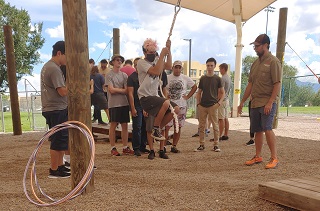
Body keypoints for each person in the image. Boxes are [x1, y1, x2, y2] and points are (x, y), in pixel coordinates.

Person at [238, 34, 281, 169]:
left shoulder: (274, 62)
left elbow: (277, 83)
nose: (255, 48)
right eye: (254, 46)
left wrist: (270, 102)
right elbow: (250, 84)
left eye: (257, 46)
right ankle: (258, 156)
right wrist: (242, 101)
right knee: (257, 130)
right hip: (255, 102)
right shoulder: (255, 63)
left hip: (267, 101)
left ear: (266, 45)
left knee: (267, 128)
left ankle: (274, 158)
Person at [137, 38, 179, 159]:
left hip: (155, 96)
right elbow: (155, 71)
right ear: (145, 52)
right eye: (150, 53)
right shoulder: (141, 63)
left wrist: (169, 50)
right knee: (165, 102)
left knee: (175, 109)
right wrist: (161, 55)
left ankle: (158, 128)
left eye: (154, 53)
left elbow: (169, 65)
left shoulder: (157, 60)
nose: (153, 55)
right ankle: (156, 129)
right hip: (145, 97)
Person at [41, 41, 70, 178]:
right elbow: (62, 91)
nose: (67, 59)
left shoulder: (48, 66)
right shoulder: (54, 68)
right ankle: (54, 169)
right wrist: (76, 87)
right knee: (58, 139)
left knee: (59, 138)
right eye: (66, 55)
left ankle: (60, 165)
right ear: (59, 53)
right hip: (56, 108)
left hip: (52, 107)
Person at [165, 60, 197, 153]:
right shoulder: (167, 78)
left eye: (179, 67)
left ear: (181, 69)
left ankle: (174, 146)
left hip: (181, 105)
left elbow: (194, 86)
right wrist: (166, 96)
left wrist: (187, 96)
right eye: (176, 67)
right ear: (172, 68)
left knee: (178, 127)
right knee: (167, 126)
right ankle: (163, 146)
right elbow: (162, 87)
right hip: (170, 106)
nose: (177, 69)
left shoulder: (185, 78)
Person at [106, 54, 134, 156]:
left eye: (120, 60)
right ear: (112, 62)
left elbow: (127, 90)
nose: (119, 62)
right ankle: (113, 147)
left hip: (124, 103)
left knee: (125, 125)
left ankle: (125, 147)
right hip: (113, 104)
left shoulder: (124, 75)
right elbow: (110, 90)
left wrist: (117, 90)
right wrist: (121, 90)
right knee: (113, 125)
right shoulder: (109, 75)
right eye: (117, 60)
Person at [194, 57, 224, 152]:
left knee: (215, 126)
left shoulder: (218, 79)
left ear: (215, 66)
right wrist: (198, 103)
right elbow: (199, 92)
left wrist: (219, 103)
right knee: (201, 126)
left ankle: (216, 145)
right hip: (203, 105)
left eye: (211, 65)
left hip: (213, 105)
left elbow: (222, 92)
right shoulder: (203, 78)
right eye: (208, 65)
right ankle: (201, 144)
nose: (209, 67)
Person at [127, 57, 150, 156]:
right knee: (137, 126)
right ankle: (136, 147)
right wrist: (132, 107)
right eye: (135, 64)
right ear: (134, 66)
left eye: (138, 64)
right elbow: (130, 93)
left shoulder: (145, 76)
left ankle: (143, 146)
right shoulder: (131, 77)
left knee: (145, 126)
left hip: (145, 104)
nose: (137, 66)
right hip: (136, 104)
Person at [218, 63, 231, 141]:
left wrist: (218, 99)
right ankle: (226, 134)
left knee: (221, 118)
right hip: (226, 99)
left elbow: (220, 90)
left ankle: (219, 135)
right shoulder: (229, 78)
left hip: (222, 100)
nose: (219, 70)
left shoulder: (222, 78)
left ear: (223, 69)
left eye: (220, 69)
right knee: (225, 118)